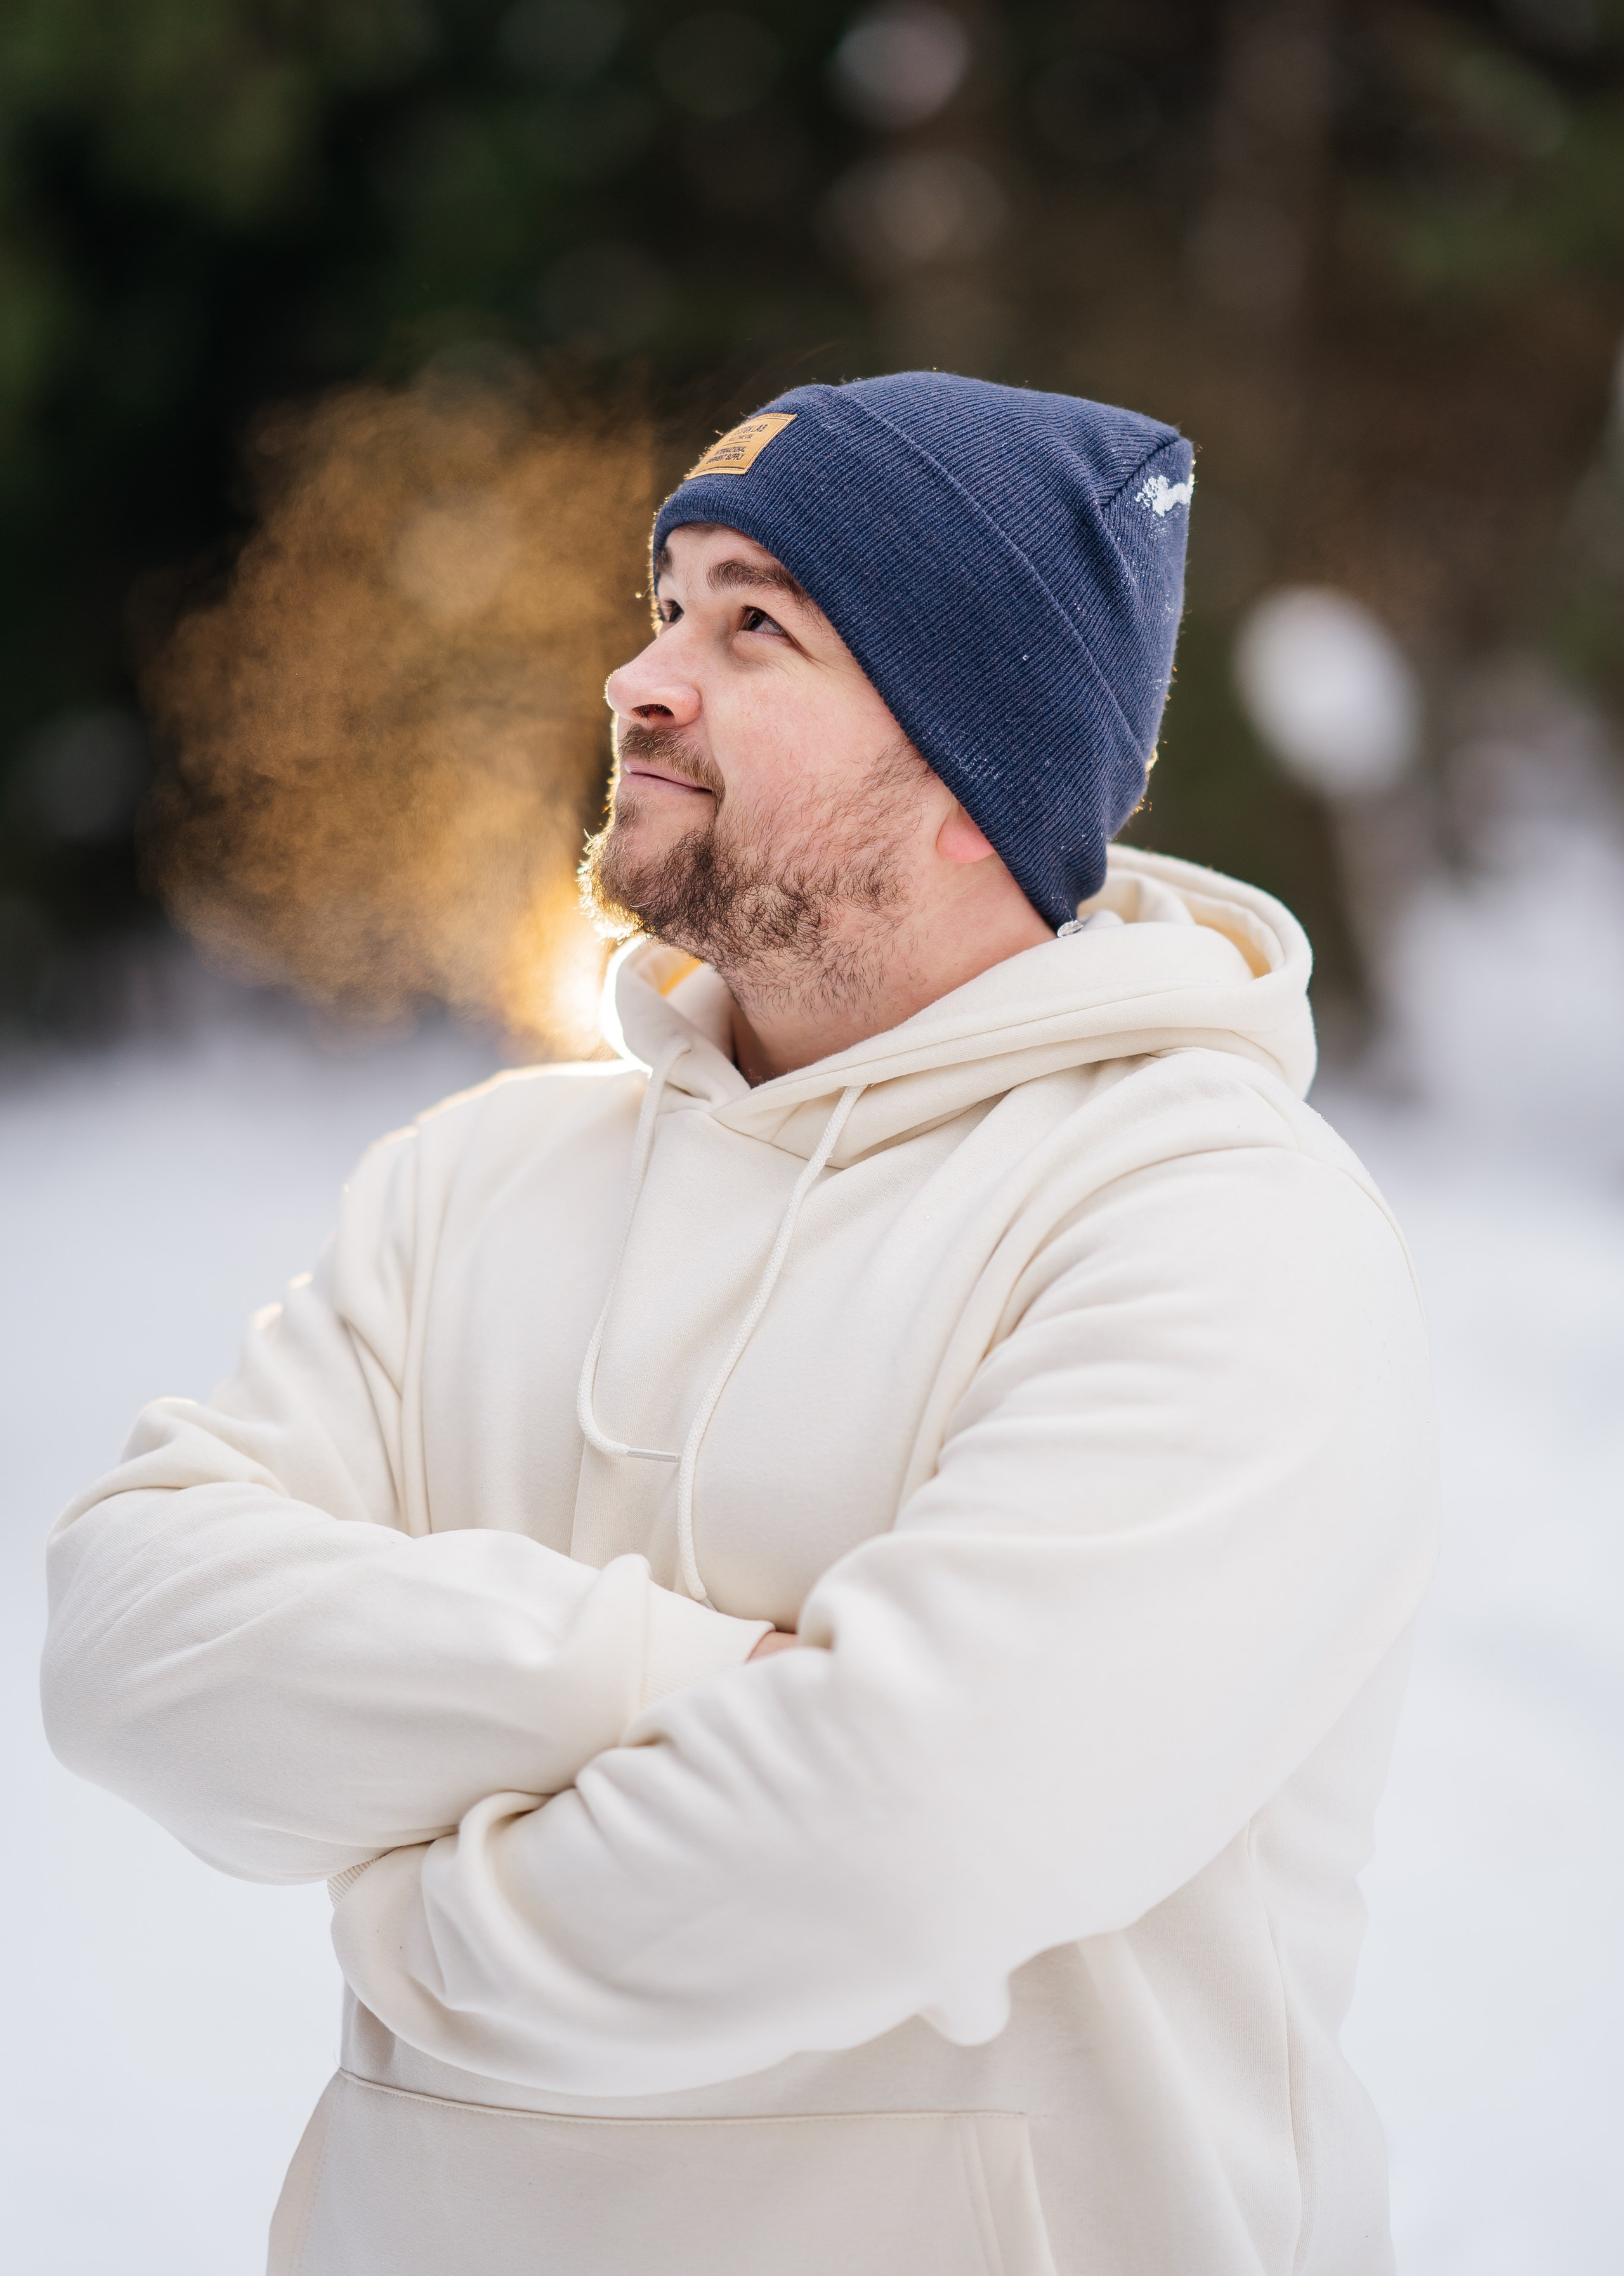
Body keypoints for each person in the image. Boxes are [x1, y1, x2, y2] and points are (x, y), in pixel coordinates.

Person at [42, 371, 1437, 2276]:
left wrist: (412, 1928)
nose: (641, 679)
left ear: (973, 766)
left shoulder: (1213, 1227)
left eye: (753, 626)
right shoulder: (476, 1181)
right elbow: (132, 1636)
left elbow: (911, 1832)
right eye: (666, 605)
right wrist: (673, 1677)